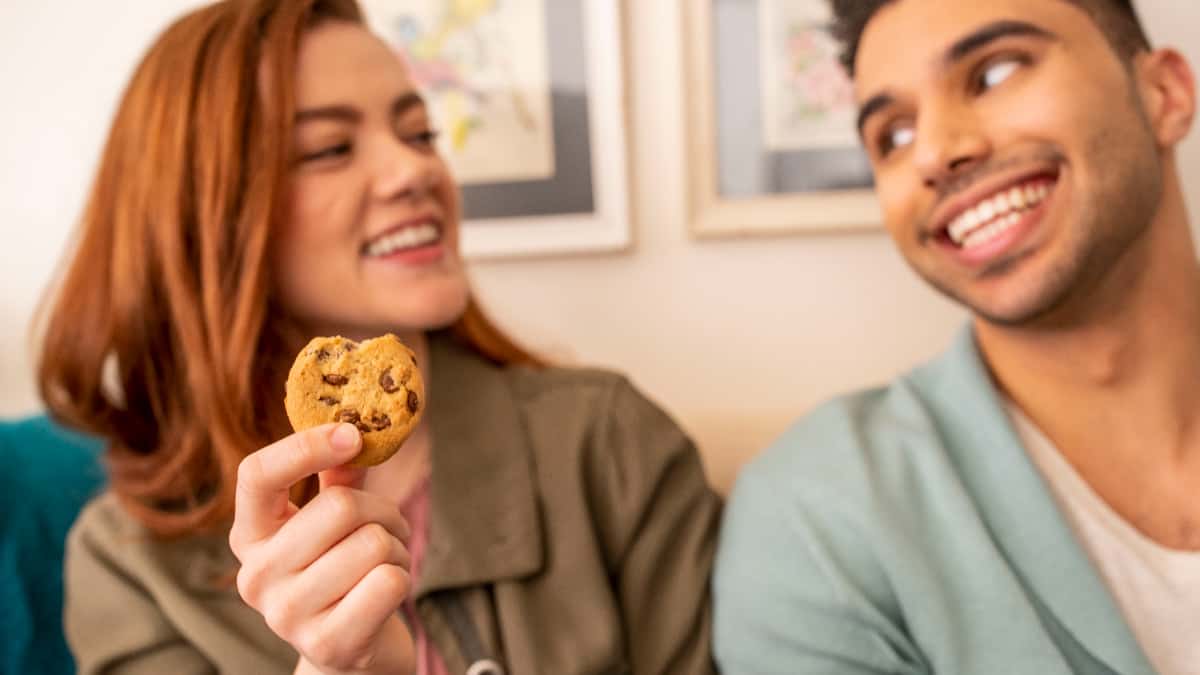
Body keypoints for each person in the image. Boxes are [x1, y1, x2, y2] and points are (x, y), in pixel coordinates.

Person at [42, 1, 721, 673]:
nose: (416, 171)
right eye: (330, 148)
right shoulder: (127, 564)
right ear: (203, 216)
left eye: (420, 133)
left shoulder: (609, 444)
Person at [714, 0, 1199, 673]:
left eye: (995, 73)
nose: (937, 153)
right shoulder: (817, 518)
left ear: (1164, 94)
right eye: (894, 136)